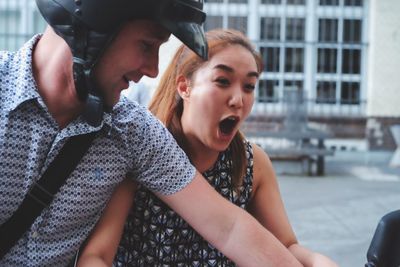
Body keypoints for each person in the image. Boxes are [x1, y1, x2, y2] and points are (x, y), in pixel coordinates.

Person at [0, 0, 305, 266]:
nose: (153, 70)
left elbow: (228, 228)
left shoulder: (132, 132)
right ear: (92, 28)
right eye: (146, 45)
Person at [78, 29, 339, 267]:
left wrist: (317, 261)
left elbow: (284, 247)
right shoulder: (144, 150)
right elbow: (96, 256)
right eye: (222, 81)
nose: (238, 100)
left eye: (249, 86)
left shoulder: (252, 163)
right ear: (184, 87)